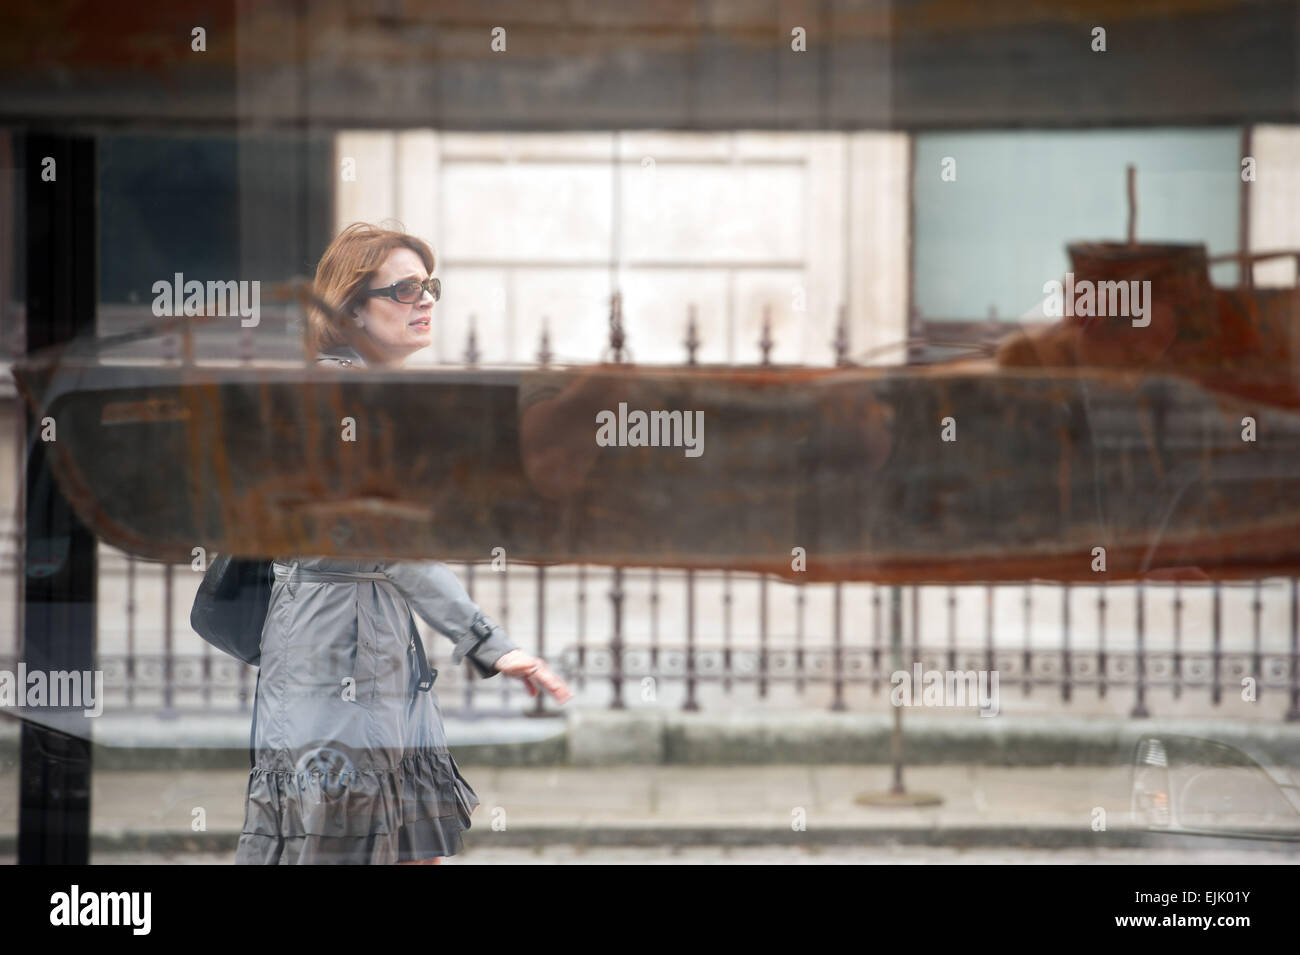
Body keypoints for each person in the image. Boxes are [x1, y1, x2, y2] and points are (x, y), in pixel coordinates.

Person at [235, 221, 572, 865]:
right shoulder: (341, 396)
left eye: (431, 286)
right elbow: (386, 538)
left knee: (407, 849)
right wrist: (489, 642)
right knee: (344, 843)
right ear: (351, 307)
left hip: (374, 646)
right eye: (405, 288)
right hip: (336, 653)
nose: (426, 301)